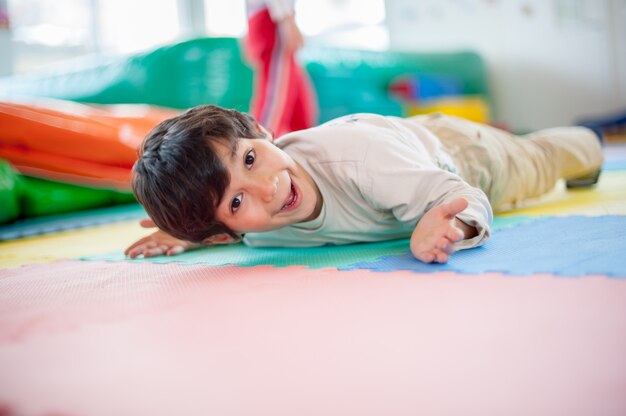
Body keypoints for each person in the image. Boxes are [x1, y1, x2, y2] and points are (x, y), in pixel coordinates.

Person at [125, 105, 603, 264]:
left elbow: (462, 195)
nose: (266, 188)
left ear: (262, 132)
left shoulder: (358, 159)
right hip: (405, 147)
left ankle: (587, 144)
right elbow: (219, 224)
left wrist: (446, 221)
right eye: (235, 200)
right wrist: (184, 232)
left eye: (251, 158)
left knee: (541, 163)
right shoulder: (248, 226)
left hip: (464, 156)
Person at [244, 0, 317, 138]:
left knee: (300, 109)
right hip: (273, 20)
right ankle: (258, 146)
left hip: (272, 17)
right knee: (275, 102)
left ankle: (304, 147)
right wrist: (286, 18)